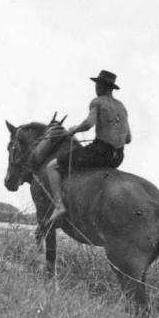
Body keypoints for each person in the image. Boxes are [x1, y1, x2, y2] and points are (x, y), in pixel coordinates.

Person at [46, 70, 131, 224]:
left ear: (102, 86)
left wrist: (73, 130)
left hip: (99, 153)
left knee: (52, 166)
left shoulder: (97, 102)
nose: (96, 87)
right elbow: (128, 138)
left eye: (97, 84)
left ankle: (59, 206)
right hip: (118, 157)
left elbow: (88, 124)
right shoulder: (122, 107)